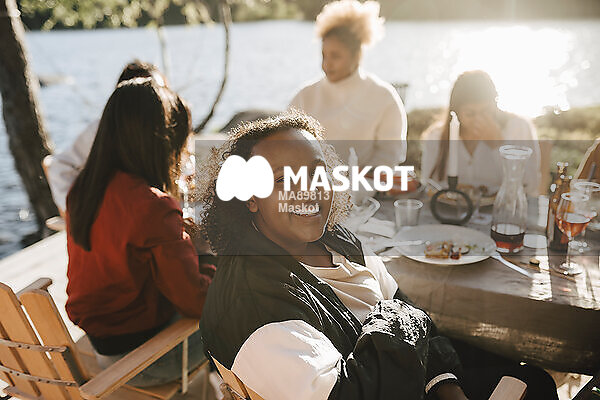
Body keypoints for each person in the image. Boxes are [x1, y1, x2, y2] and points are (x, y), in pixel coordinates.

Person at [197, 111, 557, 400]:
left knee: (527, 374)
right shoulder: (253, 305)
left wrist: (446, 386)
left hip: (408, 380)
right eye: (283, 180)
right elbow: (356, 381)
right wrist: (395, 315)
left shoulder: (336, 240)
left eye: (317, 172)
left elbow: (413, 316)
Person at [66, 78, 214, 387]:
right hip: (144, 361)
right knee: (248, 301)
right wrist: (213, 256)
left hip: (102, 344)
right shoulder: (152, 207)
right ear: (161, 140)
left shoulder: (83, 188)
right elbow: (197, 302)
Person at [290, 0, 406, 168]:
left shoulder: (384, 97)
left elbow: (389, 155)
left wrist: (354, 180)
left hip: (365, 183)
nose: (326, 64)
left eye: (335, 56)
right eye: (324, 55)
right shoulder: (304, 96)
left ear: (357, 55)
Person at [44, 60, 167, 216]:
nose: (164, 99)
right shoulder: (103, 130)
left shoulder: (166, 127)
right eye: (153, 92)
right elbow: (58, 166)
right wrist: (78, 213)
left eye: (164, 90)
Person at [421, 70, 541, 196]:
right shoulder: (437, 136)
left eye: (486, 111)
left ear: (495, 104)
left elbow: (529, 185)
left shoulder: (518, 127)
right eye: (470, 114)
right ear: (456, 112)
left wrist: (498, 145)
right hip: (451, 206)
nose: (479, 120)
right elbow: (429, 185)